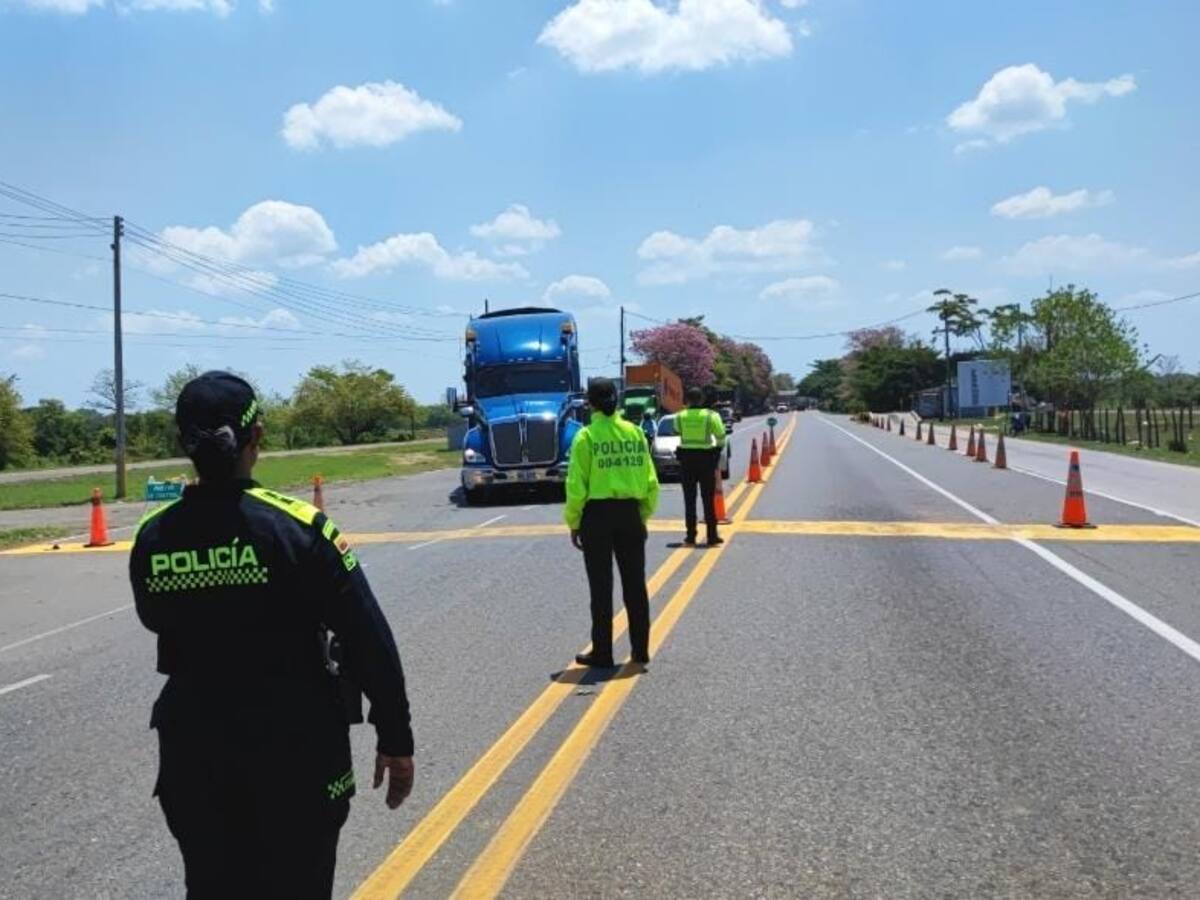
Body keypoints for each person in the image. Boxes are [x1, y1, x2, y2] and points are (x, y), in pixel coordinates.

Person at [129, 371, 414, 899]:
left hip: (196, 759)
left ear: (182, 443)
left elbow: (153, 616)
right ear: (256, 437)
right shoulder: (299, 527)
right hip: (297, 755)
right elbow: (366, 636)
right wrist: (395, 737)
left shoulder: (154, 535)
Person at [565, 377, 660, 667]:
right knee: (635, 585)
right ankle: (640, 650)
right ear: (617, 400)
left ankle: (603, 651)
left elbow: (576, 485)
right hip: (630, 514)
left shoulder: (586, 436)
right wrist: (642, 514)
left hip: (597, 517)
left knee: (601, 587)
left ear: (589, 402)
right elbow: (650, 480)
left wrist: (574, 521)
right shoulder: (635, 433)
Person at [676, 386, 727, 547]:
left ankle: (690, 536)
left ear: (688, 400)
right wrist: (717, 450)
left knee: (689, 500)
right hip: (706, 460)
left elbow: (676, 430)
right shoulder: (711, 416)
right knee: (708, 499)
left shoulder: (680, 416)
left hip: (686, 461)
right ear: (702, 400)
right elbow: (721, 435)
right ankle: (712, 536)